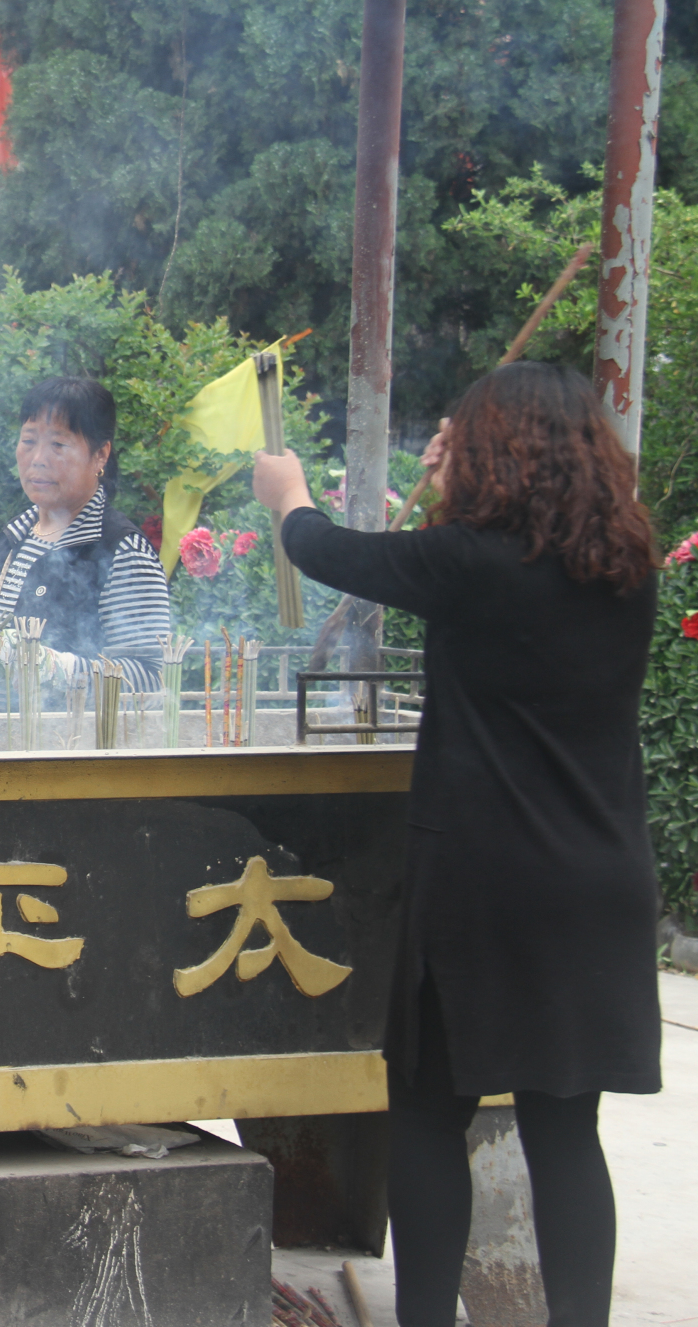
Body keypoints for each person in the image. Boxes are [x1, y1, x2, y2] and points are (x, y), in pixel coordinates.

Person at [252, 362, 661, 1327]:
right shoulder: (627, 567)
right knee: (567, 1126)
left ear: (492, 457)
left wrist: (287, 492)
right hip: (599, 877)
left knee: (432, 1111)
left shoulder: (469, 564)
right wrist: (448, 488)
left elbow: (328, 550)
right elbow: (446, 551)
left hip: (487, 878)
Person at [0, 376, 170, 703]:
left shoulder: (120, 550)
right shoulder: (14, 537)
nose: (39, 458)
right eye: (29, 441)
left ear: (100, 455)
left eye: (58, 444)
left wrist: (57, 669)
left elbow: (150, 676)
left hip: (57, 750)